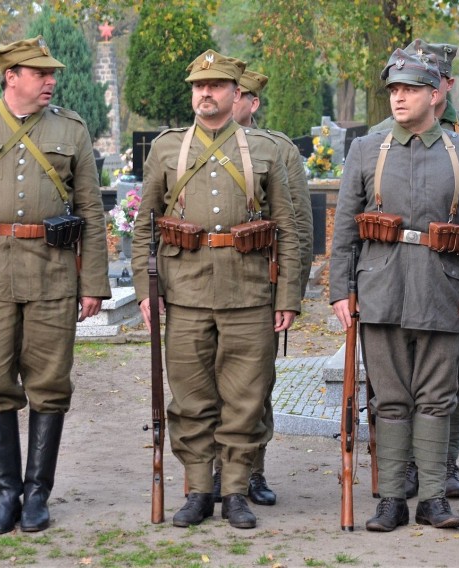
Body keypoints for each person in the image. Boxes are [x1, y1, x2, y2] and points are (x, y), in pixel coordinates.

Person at [0, 36, 112, 535]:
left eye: (52, 74)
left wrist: (92, 280)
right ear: (11, 76)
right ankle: (5, 494)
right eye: (39, 73)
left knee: (50, 386)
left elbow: (90, 210)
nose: (50, 81)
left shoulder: (70, 129)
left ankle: (37, 495)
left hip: (53, 272)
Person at [130, 50, 301, 529]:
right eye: (198, 86)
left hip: (248, 295)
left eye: (216, 86)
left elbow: (285, 225)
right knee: (190, 399)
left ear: (235, 93)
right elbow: (145, 226)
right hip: (184, 294)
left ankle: (236, 490)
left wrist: (286, 296)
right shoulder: (166, 149)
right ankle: (199, 491)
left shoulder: (263, 150)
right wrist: (148, 292)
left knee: (246, 397)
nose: (205, 94)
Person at [330, 48, 459, 532]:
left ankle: (432, 499)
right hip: (381, 288)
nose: (399, 98)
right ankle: (390, 501)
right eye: (394, 91)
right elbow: (344, 230)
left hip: (443, 288)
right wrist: (341, 291)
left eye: (408, 90)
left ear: (434, 93)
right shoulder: (366, 150)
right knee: (390, 399)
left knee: (436, 397)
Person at [370, 39, 459, 499]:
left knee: (453, 377)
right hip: (395, 279)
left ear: (444, 85)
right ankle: (405, 470)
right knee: (395, 382)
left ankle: (443, 465)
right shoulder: (382, 137)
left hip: (454, 276)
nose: (406, 92)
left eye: (437, 78)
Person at [207, 69, 314, 507]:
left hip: (259, 288)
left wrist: (289, 292)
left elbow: (299, 228)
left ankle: (253, 470)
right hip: (206, 287)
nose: (231, 101)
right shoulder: (196, 145)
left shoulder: (279, 151)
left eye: (242, 96)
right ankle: (214, 472)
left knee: (254, 387)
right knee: (207, 382)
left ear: (251, 103)